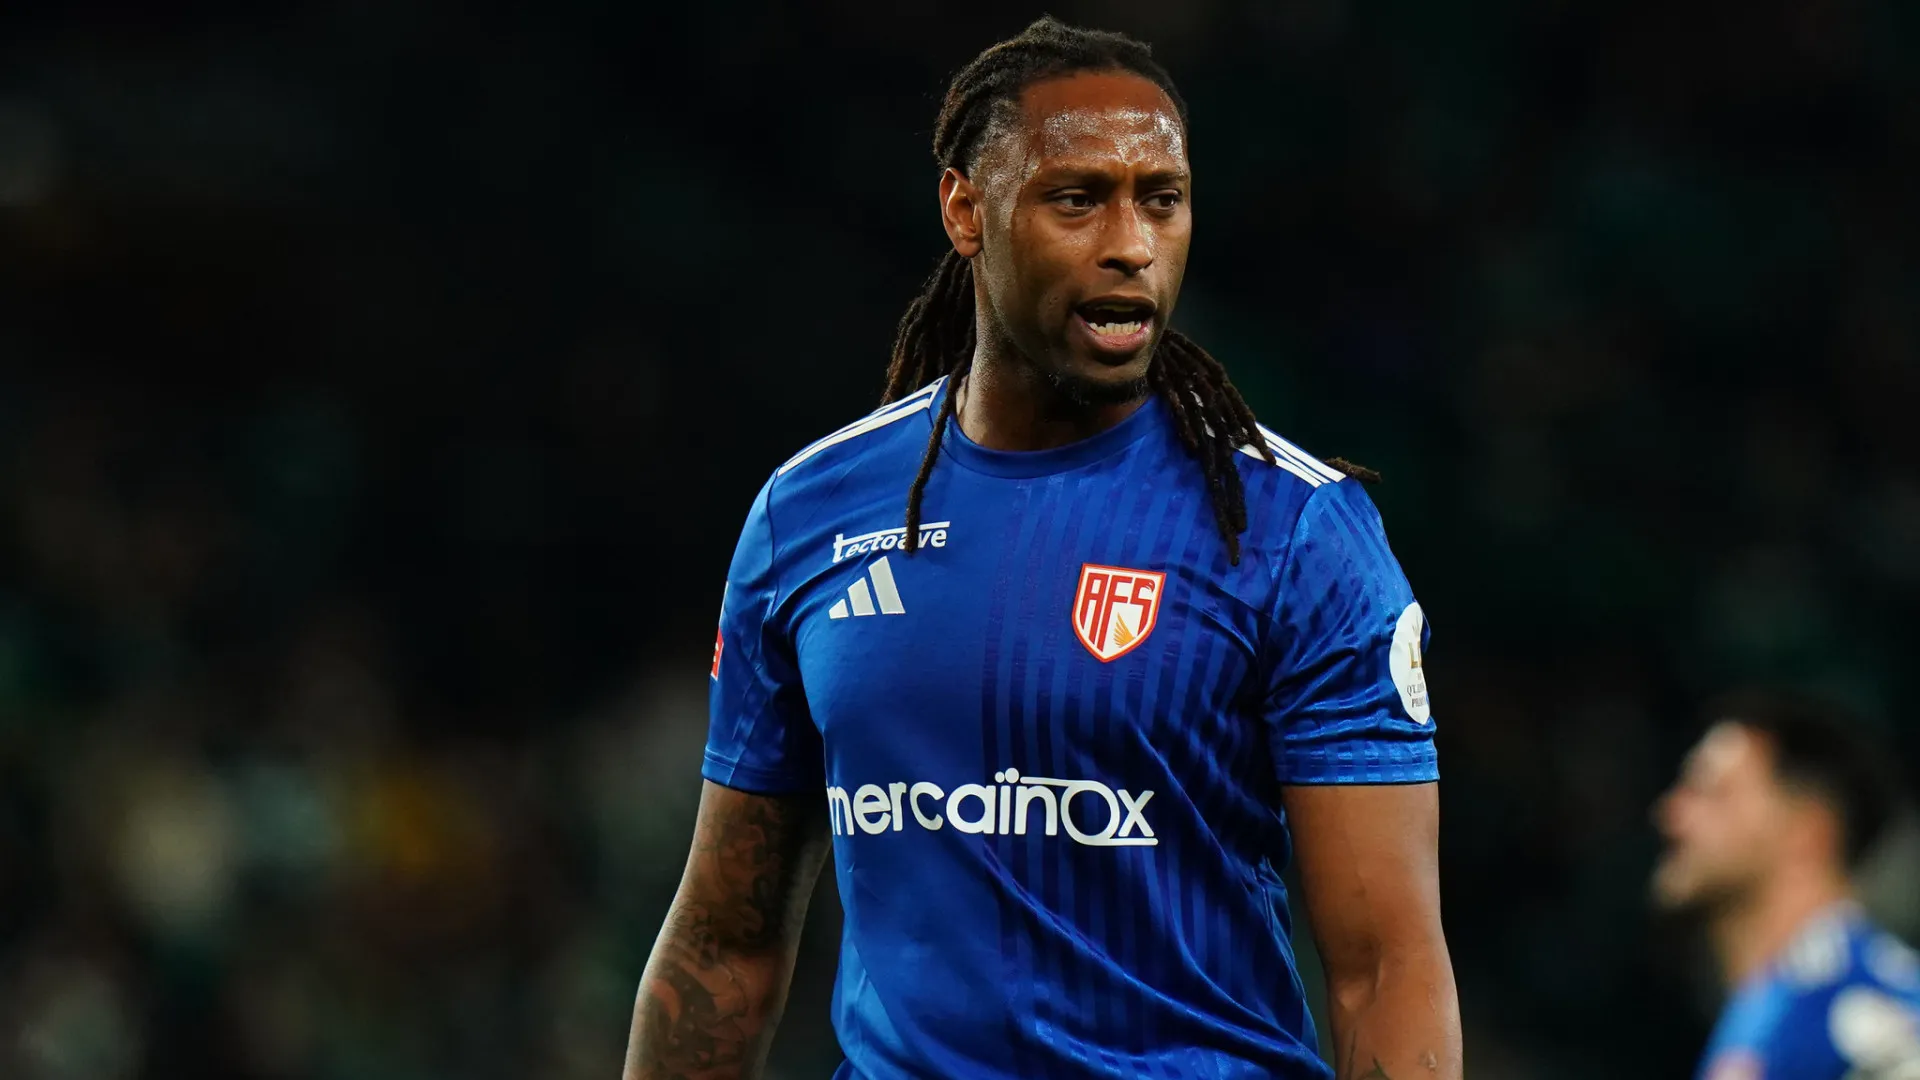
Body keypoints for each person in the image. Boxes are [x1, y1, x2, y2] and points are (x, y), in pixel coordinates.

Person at [625, 17, 1461, 1080]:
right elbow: (724, 946)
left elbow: (1384, 970)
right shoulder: (811, 516)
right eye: (1078, 199)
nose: (1131, 244)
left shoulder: (1295, 530)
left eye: (1162, 199)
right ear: (964, 210)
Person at [1653, 690, 1920, 1079]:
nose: (1671, 815)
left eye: (1713, 792)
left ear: (1808, 830)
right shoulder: (1774, 1017)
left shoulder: (1860, 1014)